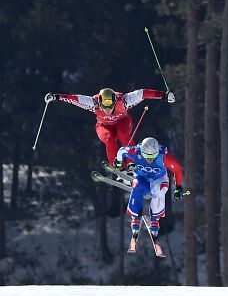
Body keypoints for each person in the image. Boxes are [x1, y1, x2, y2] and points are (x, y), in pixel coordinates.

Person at [44, 88, 175, 165]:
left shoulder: (124, 101)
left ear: (114, 102)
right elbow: (75, 99)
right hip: (104, 126)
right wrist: (56, 97)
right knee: (109, 140)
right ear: (100, 103)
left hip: (122, 122)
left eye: (111, 106)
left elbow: (143, 93)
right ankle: (117, 166)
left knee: (123, 135)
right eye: (105, 107)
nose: (108, 110)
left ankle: (132, 162)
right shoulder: (93, 103)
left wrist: (164, 95)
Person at [114, 137, 185, 247]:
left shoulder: (164, 157)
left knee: (159, 190)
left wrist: (178, 187)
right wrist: (118, 162)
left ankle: (155, 219)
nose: (150, 159)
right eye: (147, 156)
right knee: (137, 185)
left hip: (159, 179)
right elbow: (122, 151)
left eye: (153, 156)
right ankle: (135, 217)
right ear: (142, 151)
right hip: (143, 178)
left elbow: (177, 170)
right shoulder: (135, 152)